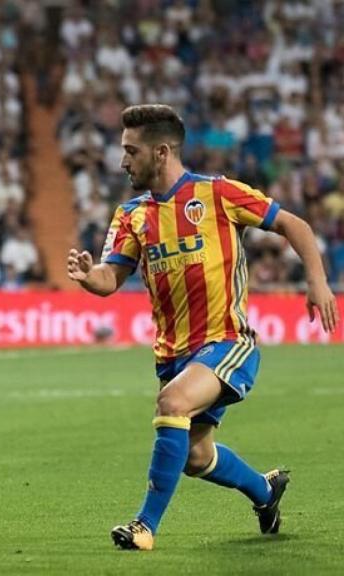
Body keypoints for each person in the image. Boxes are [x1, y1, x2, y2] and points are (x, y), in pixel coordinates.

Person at [67, 104, 339, 551]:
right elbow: (110, 278)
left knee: (171, 401)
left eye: (131, 151)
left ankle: (144, 526)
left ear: (161, 152)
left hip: (227, 341)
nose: (122, 161)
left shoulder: (217, 194)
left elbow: (294, 224)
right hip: (173, 354)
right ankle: (265, 491)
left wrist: (317, 282)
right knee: (195, 456)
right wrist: (88, 275)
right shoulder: (130, 215)